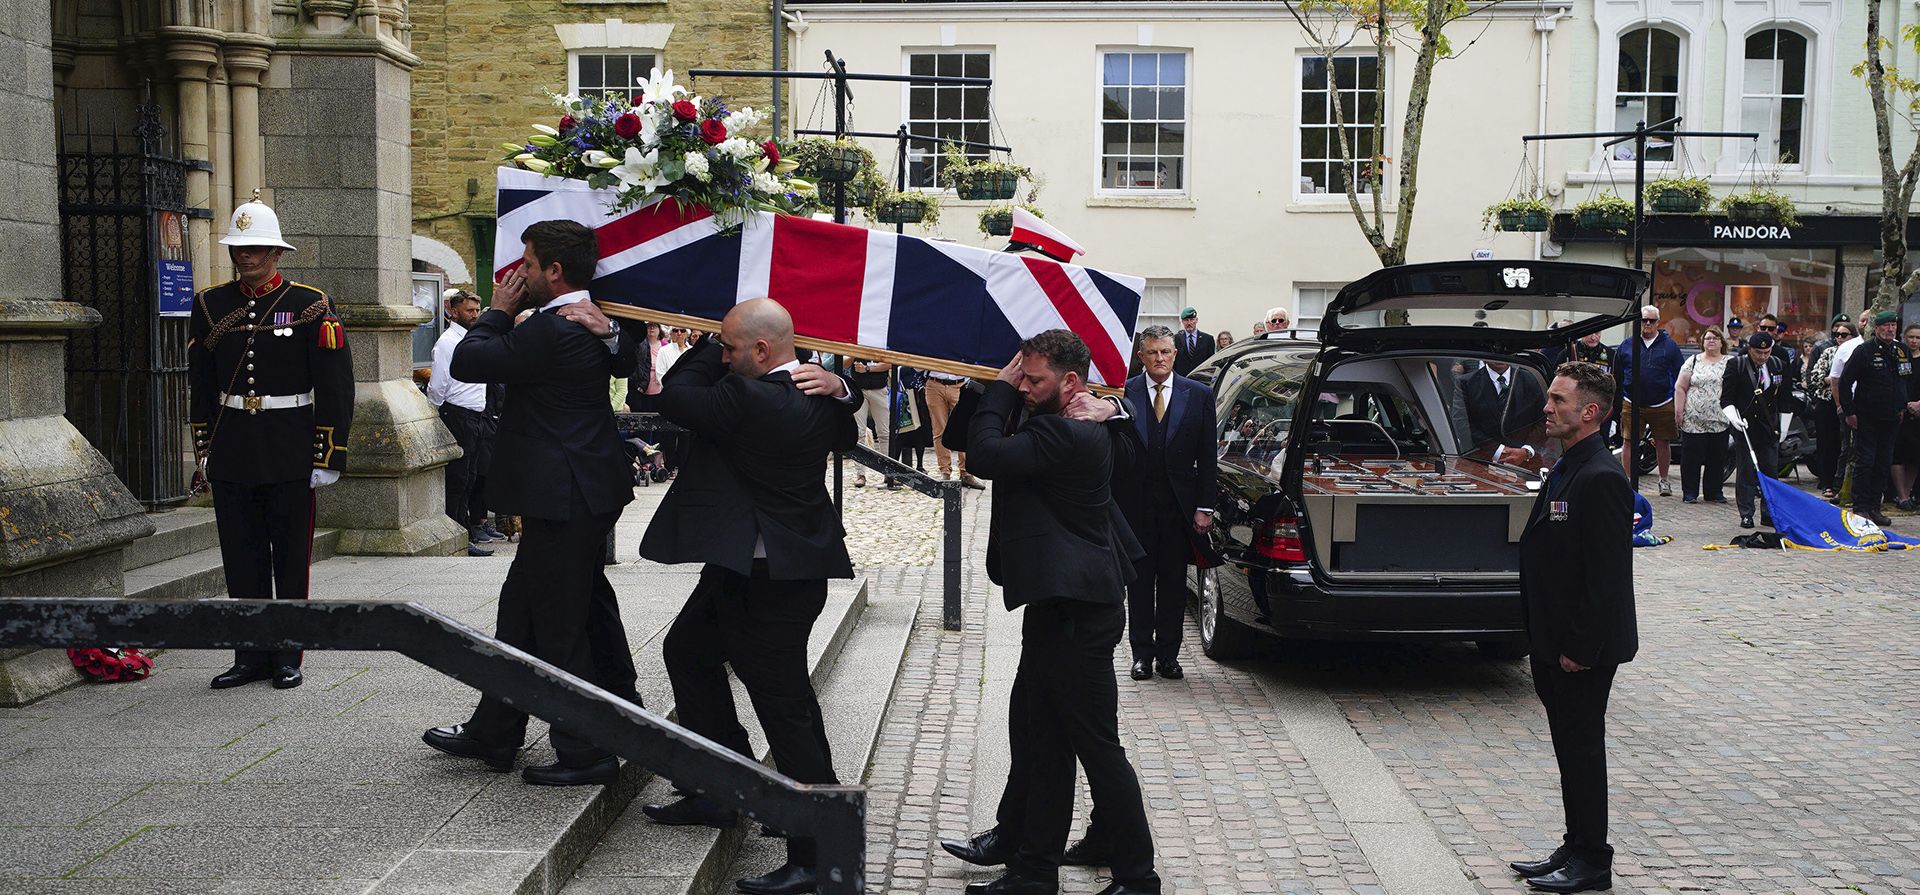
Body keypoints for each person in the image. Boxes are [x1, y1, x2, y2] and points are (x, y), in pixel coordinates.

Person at [633, 298, 860, 895]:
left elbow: (676, 390)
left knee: (784, 706)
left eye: (733, 348)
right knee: (688, 652)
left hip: (770, 580)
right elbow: (849, 419)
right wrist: (842, 385)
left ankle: (817, 849)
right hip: (760, 566)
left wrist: (707, 338)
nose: (723, 356)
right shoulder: (821, 399)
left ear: (761, 352)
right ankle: (721, 785)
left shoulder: (747, 396)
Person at [422, 220, 641, 787]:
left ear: (554, 271)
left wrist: (495, 309)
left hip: (566, 494)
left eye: (527, 261)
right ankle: (499, 727)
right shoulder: (584, 322)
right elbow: (623, 354)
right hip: (577, 492)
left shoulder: (556, 329)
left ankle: (587, 747)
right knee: (536, 608)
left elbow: (469, 361)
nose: (517, 272)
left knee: (557, 621)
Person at [943, 330, 1159, 895]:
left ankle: (1139, 876)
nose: (1024, 386)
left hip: (1080, 611)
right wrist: (994, 388)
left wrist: (1002, 389)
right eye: (1022, 376)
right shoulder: (1062, 416)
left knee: (1095, 746)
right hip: (1059, 604)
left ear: (1070, 382)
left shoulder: (1070, 431)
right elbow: (964, 434)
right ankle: (1034, 869)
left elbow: (986, 456)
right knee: (1042, 738)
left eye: (1034, 379)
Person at [188, 193, 353, 691]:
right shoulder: (211, 304)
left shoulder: (310, 304)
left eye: (257, 247)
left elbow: (335, 384)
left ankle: (287, 654)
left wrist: (327, 452)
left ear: (277, 252)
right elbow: (200, 382)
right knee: (241, 556)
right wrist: (204, 446)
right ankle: (249, 655)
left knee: (289, 556)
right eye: (240, 247)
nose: (247, 256)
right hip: (235, 443)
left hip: (289, 444)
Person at [1507, 361, 1636, 895]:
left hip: (1581, 647)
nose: (1547, 407)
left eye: (1558, 400)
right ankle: (1576, 843)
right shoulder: (1567, 465)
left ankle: (1594, 860)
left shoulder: (1602, 477)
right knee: (1568, 747)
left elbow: (1607, 578)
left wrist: (1580, 647)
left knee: (1583, 749)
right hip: (1553, 639)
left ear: (1589, 412)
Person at [1118, 326, 1217, 682]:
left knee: (1175, 584)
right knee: (1140, 583)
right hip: (1135, 505)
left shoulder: (1199, 395)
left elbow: (1208, 457)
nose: (1160, 359)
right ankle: (1142, 655)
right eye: (1153, 353)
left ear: (1175, 354)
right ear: (1141, 356)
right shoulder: (1122, 393)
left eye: (1166, 352)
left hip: (1180, 507)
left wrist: (1206, 506)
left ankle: (1169, 656)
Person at [429, 289, 496, 556]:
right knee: (458, 478)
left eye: (477, 310)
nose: (475, 315)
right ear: (453, 312)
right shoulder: (447, 342)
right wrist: (435, 413)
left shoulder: (471, 339)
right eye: (470, 310)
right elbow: (438, 385)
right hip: (458, 414)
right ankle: (457, 534)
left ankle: (464, 531)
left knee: (470, 477)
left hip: (476, 415)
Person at [1838, 310, 1918, 527]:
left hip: (1892, 417)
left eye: (1893, 325)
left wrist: (1902, 405)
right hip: (1867, 416)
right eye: (1886, 326)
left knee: (1883, 462)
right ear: (1877, 327)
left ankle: (1875, 506)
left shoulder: (1901, 350)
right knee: (1866, 461)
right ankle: (1860, 507)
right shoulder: (1865, 351)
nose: (1890, 329)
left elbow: (1906, 381)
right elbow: (1845, 382)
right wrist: (1849, 411)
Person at [1721, 331, 1788, 530]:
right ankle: (1747, 514)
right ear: (1750, 349)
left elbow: (1784, 398)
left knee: (1770, 473)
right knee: (1747, 473)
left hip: (1769, 428)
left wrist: (1783, 425)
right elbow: (1726, 398)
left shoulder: (1777, 365)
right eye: (1759, 352)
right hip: (1746, 426)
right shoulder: (1737, 365)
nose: (1763, 357)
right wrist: (1734, 418)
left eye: (1767, 352)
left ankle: (1769, 513)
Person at [1616, 306, 1685, 494]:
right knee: (1628, 441)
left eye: (1651, 320)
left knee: (1662, 442)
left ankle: (1664, 481)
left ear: (1657, 322)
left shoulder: (1669, 345)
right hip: (1631, 401)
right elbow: (1618, 374)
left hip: (1661, 402)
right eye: (1644, 320)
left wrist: (1677, 401)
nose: (1647, 323)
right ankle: (1628, 482)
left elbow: (1680, 375)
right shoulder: (1627, 345)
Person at [1671, 327, 1731, 504]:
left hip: (1720, 419)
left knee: (1717, 458)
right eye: (1707, 338)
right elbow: (1680, 387)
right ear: (1702, 342)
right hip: (1693, 420)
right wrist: (1678, 411)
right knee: (1691, 458)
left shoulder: (1730, 362)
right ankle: (1689, 492)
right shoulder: (1693, 361)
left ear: (1722, 342)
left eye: (1715, 338)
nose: (1711, 341)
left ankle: (1714, 492)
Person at [1805, 322, 1855, 499]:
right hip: (1828, 403)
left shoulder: (1858, 352)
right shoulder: (1829, 352)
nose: (1839, 338)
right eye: (1837, 335)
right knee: (1828, 445)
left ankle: (1843, 483)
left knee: (1847, 447)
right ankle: (1827, 483)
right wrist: (1833, 379)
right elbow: (1816, 377)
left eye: (1844, 334)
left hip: (1852, 403)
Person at [1461, 360, 1546, 448]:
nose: (1499, 358)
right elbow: (1462, 423)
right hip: (1483, 455)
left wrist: (1526, 449)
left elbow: (1543, 418)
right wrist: (1498, 451)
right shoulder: (1467, 382)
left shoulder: (1529, 378)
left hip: (1526, 455)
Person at [926, 368, 987, 489]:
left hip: (960, 383)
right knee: (939, 430)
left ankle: (966, 472)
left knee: (964, 429)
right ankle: (945, 471)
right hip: (935, 383)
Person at [848, 356, 894, 487]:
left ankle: (889, 472)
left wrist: (867, 369)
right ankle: (860, 474)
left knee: (884, 433)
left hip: (879, 388)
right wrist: (853, 353)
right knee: (859, 433)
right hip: (859, 390)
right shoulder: (857, 342)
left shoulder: (880, 342)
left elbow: (890, 363)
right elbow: (844, 363)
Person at [1894, 324, 1920, 510]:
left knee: (1914, 455)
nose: (1914, 341)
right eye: (1911, 337)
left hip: (1918, 413)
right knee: (1897, 454)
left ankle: (1909, 493)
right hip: (1899, 412)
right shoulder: (1898, 357)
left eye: (1918, 338)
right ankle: (1900, 494)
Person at [1171, 307, 1215, 376]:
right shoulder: (1175, 339)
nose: (1189, 323)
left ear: (1196, 320)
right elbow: (1173, 362)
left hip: (1201, 380)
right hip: (1182, 380)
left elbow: (1211, 363)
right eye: (1186, 320)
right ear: (1182, 321)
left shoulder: (1208, 339)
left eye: (1192, 319)